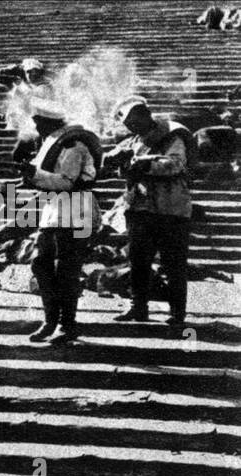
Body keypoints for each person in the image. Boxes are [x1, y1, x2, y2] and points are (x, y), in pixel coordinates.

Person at [19, 101, 100, 344]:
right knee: (41, 264)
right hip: (54, 211)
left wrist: (34, 175)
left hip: (76, 210)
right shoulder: (53, 144)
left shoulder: (73, 147)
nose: (36, 127)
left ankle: (67, 324)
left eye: (39, 123)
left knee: (67, 269)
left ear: (50, 123)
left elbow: (67, 181)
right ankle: (50, 320)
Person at [109, 96, 194, 326]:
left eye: (136, 122)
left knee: (173, 263)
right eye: (129, 125)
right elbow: (127, 173)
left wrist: (144, 163)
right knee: (138, 262)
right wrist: (121, 163)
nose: (133, 128)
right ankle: (138, 307)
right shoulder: (134, 141)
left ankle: (177, 313)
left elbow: (175, 164)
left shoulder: (171, 135)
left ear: (146, 115)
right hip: (141, 209)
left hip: (171, 209)